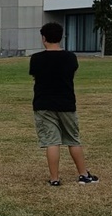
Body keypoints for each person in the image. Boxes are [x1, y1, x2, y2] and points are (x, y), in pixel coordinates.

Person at [29, 22, 98, 186]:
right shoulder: (70, 57)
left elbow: (35, 76)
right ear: (61, 37)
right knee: (73, 139)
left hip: (43, 103)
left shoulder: (37, 58)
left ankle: (54, 179)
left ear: (44, 38)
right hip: (66, 103)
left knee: (52, 142)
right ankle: (83, 174)